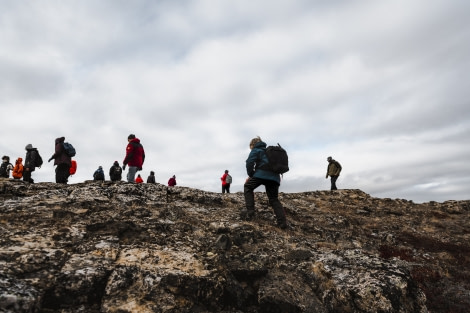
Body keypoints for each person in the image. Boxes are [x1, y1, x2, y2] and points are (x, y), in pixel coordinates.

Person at [242, 136, 287, 229]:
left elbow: (249, 162)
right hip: (275, 178)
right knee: (274, 199)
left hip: (261, 175)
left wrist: (251, 175)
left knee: (248, 187)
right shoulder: (269, 151)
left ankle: (250, 211)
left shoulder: (256, 150)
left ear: (252, 144)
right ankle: (282, 223)